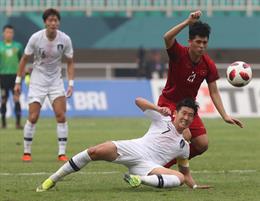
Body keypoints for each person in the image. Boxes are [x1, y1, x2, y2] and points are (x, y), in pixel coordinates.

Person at [36, 97, 210, 192]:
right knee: (94, 151)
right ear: (175, 113)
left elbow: (185, 173)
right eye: (184, 113)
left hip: (149, 167)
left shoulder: (184, 147)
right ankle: (52, 180)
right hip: (135, 148)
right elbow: (137, 101)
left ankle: (138, 180)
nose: (186, 118)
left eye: (190, 116)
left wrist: (194, 185)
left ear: (193, 119)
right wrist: (157, 109)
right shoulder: (162, 119)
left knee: (178, 178)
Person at [158, 10, 243, 168]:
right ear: (190, 41)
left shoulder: (208, 64)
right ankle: (157, 163)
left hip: (188, 107)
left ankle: (162, 164)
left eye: (205, 42)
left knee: (202, 144)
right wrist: (186, 23)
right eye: (198, 42)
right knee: (186, 134)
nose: (202, 46)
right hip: (169, 103)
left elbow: (214, 91)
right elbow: (167, 37)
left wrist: (225, 116)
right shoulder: (178, 53)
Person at [14, 8, 75, 162]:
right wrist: (18, 81)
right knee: (33, 117)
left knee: (61, 115)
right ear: (45, 22)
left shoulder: (65, 39)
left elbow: (70, 62)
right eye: (50, 20)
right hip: (37, 81)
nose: (53, 23)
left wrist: (71, 83)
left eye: (56, 20)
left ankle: (62, 153)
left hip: (56, 81)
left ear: (58, 22)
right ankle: (27, 152)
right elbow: (24, 59)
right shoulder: (36, 38)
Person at [0, 25, 23, 129]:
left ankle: (18, 123)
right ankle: (3, 123)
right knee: (3, 99)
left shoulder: (18, 46)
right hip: (3, 76)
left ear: (13, 34)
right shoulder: (0, 46)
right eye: (7, 32)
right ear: (3, 33)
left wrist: (23, 72)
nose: (9, 34)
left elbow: (22, 61)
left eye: (11, 32)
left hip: (15, 76)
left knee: (16, 99)